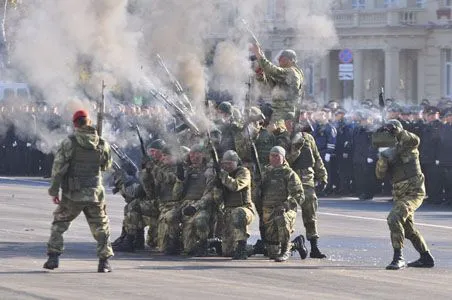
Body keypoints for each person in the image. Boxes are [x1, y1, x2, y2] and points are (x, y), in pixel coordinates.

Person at [44, 109, 114, 273]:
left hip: (73, 195)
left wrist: (54, 191)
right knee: (101, 227)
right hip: (95, 193)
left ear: (75, 124)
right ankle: (104, 262)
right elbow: (106, 166)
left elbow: (58, 169)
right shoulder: (102, 143)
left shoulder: (69, 142)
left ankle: (53, 257)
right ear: (89, 122)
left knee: (59, 225)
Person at [375, 120, 435, 270]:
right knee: (408, 229)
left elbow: (415, 139)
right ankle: (426, 257)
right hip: (399, 194)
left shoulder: (409, 145)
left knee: (394, 218)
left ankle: (398, 257)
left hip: (414, 192)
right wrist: (383, 158)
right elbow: (379, 175)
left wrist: (398, 131)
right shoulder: (388, 151)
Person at [256, 146, 304, 262]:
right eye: (272, 156)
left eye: (277, 156)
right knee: (272, 252)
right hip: (269, 211)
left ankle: (285, 250)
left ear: (283, 158)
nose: (274, 158)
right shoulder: (265, 173)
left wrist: (285, 205)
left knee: (281, 217)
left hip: (285, 211)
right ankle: (296, 244)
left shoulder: (289, 174)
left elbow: (299, 196)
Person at [214, 150, 255, 259]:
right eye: (224, 163)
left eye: (230, 163)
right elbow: (218, 199)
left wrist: (224, 176)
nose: (227, 166)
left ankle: (242, 246)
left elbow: (236, 186)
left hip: (244, 210)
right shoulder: (223, 176)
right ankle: (254, 248)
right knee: (227, 251)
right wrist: (218, 186)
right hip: (228, 212)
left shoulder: (243, 172)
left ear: (236, 162)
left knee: (237, 213)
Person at [250, 44, 304, 125]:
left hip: (285, 115)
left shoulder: (292, 72)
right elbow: (269, 86)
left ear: (290, 60)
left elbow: (272, 70)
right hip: (279, 112)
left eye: (282, 59)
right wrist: (260, 74)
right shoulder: (285, 75)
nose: (279, 60)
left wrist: (258, 54)